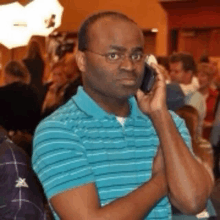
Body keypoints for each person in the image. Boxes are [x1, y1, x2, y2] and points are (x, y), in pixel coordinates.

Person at [32, 11, 213, 220]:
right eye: (113, 55)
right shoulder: (58, 130)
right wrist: (161, 181)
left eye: (136, 55)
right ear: (82, 60)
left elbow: (193, 202)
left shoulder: (168, 122)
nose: (129, 65)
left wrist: (160, 115)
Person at [169, 52, 206, 137]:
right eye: (171, 70)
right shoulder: (170, 91)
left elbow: (187, 127)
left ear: (188, 74)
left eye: (176, 71)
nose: (171, 74)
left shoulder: (196, 98)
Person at [197, 63, 219, 140]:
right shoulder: (190, 96)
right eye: (197, 75)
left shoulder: (216, 97)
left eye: (202, 76)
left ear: (209, 79)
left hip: (209, 138)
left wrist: (209, 124)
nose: (199, 78)